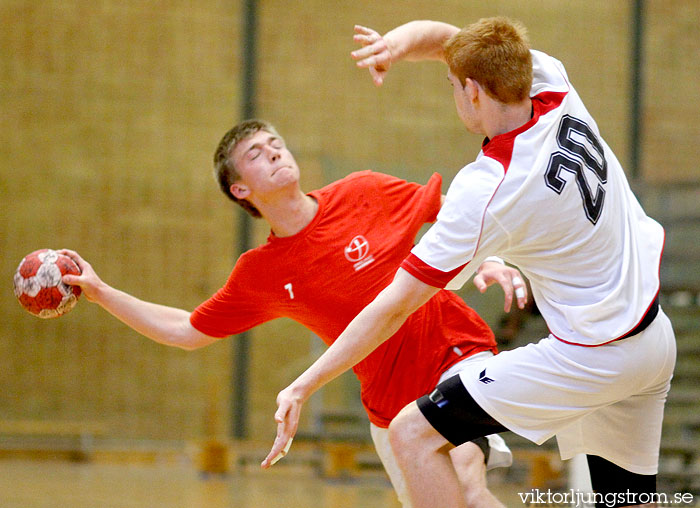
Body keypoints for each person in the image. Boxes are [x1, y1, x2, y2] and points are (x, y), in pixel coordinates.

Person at [264, 19, 676, 508]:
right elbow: (456, 44)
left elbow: (393, 307)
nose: (452, 92)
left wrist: (302, 385)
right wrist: (397, 45)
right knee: (624, 502)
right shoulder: (551, 81)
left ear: (473, 93)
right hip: (653, 344)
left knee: (413, 434)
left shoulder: (488, 190)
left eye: (452, 86)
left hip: (591, 358)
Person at [61, 118, 529, 508]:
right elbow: (185, 330)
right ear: (240, 187)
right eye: (256, 154)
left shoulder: (363, 190)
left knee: (470, 486)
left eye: (276, 144)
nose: (274, 153)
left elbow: (450, 216)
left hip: (455, 352)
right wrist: (103, 293)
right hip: (389, 403)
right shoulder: (260, 273)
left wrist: (487, 258)